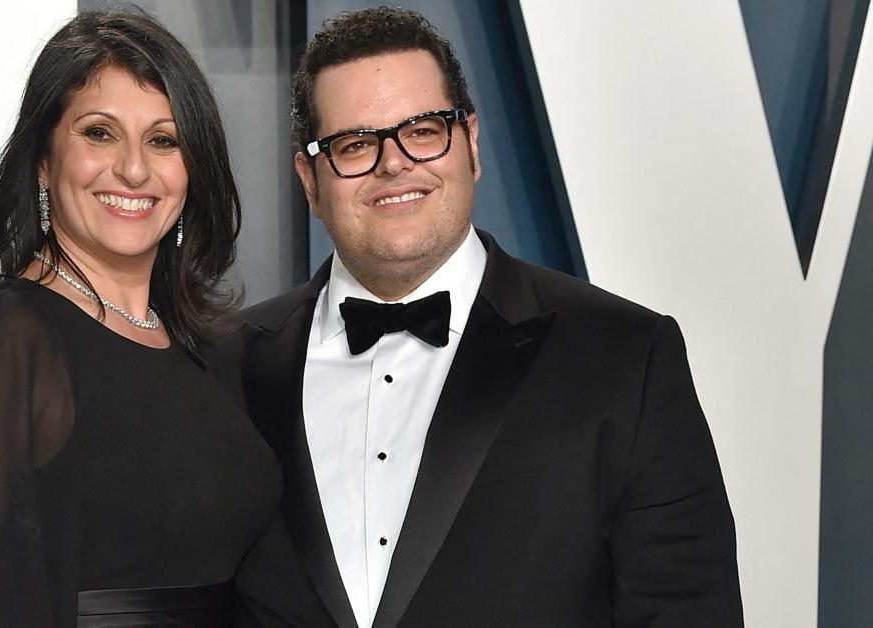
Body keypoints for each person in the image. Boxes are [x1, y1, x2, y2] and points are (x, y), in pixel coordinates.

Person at [216, 7, 743, 627]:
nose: (394, 164)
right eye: (355, 144)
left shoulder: (625, 353)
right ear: (310, 180)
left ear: (471, 142)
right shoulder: (225, 368)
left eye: (422, 130)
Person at [0, 9, 280, 627]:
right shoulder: (13, 337)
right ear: (42, 157)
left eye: (163, 140)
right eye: (99, 133)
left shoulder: (207, 350)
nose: (134, 170)